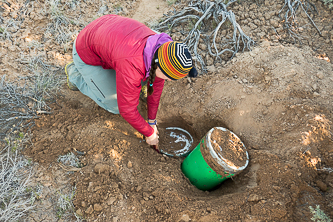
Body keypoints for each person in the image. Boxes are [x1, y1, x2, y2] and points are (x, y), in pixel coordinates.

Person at [64, 14, 197, 148]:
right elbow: (126, 110)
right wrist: (149, 133)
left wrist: (152, 121)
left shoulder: (163, 47)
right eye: (169, 77)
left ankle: (132, 83)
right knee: (115, 104)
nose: (168, 80)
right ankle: (75, 75)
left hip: (109, 34)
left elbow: (156, 85)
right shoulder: (132, 66)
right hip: (86, 51)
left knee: (140, 81)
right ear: (159, 67)